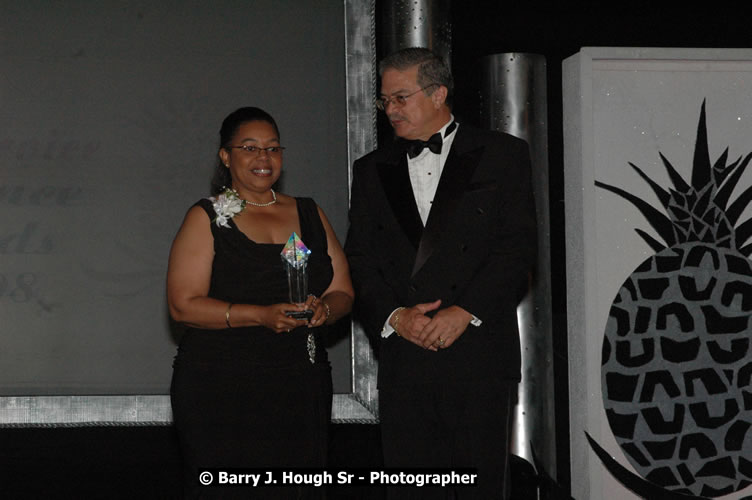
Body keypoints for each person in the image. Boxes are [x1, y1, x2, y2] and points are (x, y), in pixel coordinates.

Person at [344, 48, 537, 499]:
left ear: (438, 94)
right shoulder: (371, 169)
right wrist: (396, 317)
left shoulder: (503, 154)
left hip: (478, 355)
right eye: (384, 101)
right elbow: (360, 259)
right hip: (406, 362)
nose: (390, 110)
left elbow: (517, 248)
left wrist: (464, 311)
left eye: (400, 98)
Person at [167, 106, 353, 499]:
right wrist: (259, 316)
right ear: (226, 156)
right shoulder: (207, 217)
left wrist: (327, 309)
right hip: (221, 386)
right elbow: (183, 306)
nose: (263, 158)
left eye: (272, 148)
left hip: (300, 384)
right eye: (249, 148)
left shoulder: (309, 211)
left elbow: (343, 290)